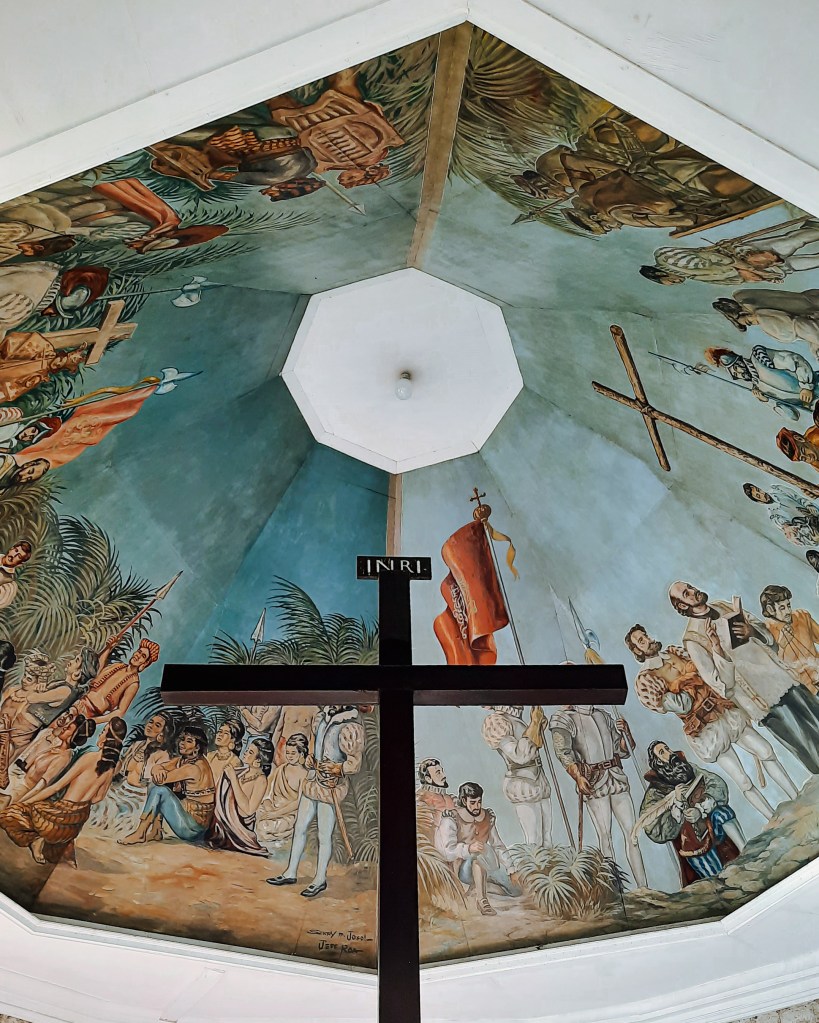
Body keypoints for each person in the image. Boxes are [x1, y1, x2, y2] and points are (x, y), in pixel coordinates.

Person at [626, 625, 796, 818]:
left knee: (766, 751)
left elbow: (706, 674)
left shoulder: (674, 651)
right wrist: (691, 678)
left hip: (723, 710)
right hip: (704, 729)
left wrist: (681, 683)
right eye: (641, 641)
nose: (647, 640)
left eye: (645, 635)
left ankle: (797, 797)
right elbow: (683, 705)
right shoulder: (647, 679)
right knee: (743, 781)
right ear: (637, 651)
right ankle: (773, 818)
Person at [669, 581, 819, 773]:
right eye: (686, 592)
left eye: (690, 586)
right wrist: (717, 650)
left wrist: (752, 631)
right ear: (682, 605)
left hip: (781, 676)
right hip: (760, 698)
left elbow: (769, 638)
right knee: (805, 743)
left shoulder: (723, 606)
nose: (693, 591)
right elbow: (720, 685)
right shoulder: (693, 639)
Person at [267, 705, 365, 898]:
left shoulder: (350, 725)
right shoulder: (322, 717)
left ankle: (319, 879)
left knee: (324, 835)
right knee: (300, 827)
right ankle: (290, 872)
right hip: (313, 780)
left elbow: (354, 764)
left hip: (330, 786)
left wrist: (337, 768)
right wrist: (311, 761)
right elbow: (314, 747)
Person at [0, 717, 126, 864]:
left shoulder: (89, 758)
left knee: (8, 816)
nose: (100, 734)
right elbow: (98, 798)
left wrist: (25, 802)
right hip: (76, 821)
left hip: (60, 814)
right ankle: (44, 840)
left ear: (107, 738)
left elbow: (57, 786)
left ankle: (36, 839)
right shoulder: (110, 769)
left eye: (104, 731)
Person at [550, 705, 648, 887]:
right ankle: (615, 889)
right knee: (605, 836)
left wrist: (626, 733)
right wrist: (578, 777)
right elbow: (564, 753)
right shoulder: (564, 718)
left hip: (616, 778)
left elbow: (622, 750)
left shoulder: (603, 714)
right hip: (594, 782)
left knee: (632, 835)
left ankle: (644, 888)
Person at [637, 741, 743, 885]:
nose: (669, 753)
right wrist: (678, 803)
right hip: (691, 841)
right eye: (662, 752)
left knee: (722, 813)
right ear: (658, 762)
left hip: (709, 823)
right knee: (719, 880)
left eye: (667, 748)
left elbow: (717, 783)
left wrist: (700, 809)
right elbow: (654, 829)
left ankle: (746, 852)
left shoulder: (688, 768)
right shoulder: (655, 791)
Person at [435, 781, 520, 916]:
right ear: (464, 800)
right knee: (478, 857)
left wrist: (511, 869)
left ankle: (478, 888)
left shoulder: (487, 817)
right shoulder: (452, 818)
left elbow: (497, 845)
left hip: (488, 865)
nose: (477, 806)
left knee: (515, 891)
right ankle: (482, 901)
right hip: (461, 869)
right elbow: (447, 851)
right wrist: (468, 848)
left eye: (479, 802)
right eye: (473, 802)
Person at [119, 726, 215, 845]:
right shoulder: (184, 760)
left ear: (197, 747)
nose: (182, 743)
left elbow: (162, 779)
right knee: (154, 785)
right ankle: (156, 831)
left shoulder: (193, 768)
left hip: (194, 829)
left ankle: (140, 832)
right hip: (187, 818)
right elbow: (157, 768)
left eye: (189, 741)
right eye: (182, 739)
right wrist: (158, 770)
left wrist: (159, 773)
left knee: (160, 790)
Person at [88, 709, 176, 834]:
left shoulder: (162, 754)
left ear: (163, 733)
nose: (151, 726)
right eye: (151, 722)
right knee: (97, 806)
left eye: (157, 725)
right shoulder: (137, 744)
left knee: (118, 818)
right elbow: (124, 768)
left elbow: (155, 783)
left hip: (139, 797)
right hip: (121, 789)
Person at [481, 706, 552, 845]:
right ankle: (533, 867)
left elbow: (532, 747)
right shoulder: (496, 721)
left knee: (547, 838)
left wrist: (538, 726)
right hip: (522, 783)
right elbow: (519, 756)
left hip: (539, 779)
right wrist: (534, 724)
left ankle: (549, 866)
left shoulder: (517, 719)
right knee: (534, 840)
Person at [0, 715, 96, 809]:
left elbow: (39, 788)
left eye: (68, 728)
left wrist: (19, 805)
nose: (64, 728)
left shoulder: (62, 759)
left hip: (18, 792)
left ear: (73, 736)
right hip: (15, 782)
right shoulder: (56, 747)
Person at [704, 344, 818, 416]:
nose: (739, 373)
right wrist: (766, 401)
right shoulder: (758, 390)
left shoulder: (759, 356)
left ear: (739, 360)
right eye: (734, 374)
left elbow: (795, 360)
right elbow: (793, 416)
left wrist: (806, 386)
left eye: (735, 368)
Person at [207, 736, 273, 855]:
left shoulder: (261, 780)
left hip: (241, 826)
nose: (245, 753)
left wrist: (233, 778)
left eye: (251, 752)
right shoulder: (242, 772)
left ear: (258, 761)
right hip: (227, 819)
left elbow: (248, 810)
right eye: (247, 749)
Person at [72, 637, 160, 724]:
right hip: (78, 702)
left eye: (143, 656)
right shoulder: (118, 665)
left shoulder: (133, 683)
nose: (138, 656)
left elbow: (120, 712)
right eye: (139, 652)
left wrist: (93, 721)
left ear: (145, 663)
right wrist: (108, 648)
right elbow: (97, 672)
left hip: (89, 715)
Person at [714, 289, 819, 361]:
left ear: (746, 311)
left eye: (749, 322)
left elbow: (804, 329)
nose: (755, 324)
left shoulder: (765, 318)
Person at [760, 584, 819, 693]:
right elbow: (772, 671)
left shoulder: (802, 616)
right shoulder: (766, 632)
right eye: (782, 608)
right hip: (803, 690)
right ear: (770, 609)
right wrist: (781, 646)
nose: (788, 611)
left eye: (788, 605)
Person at [256, 732, 309, 844]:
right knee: (254, 816)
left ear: (301, 754)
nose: (289, 756)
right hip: (272, 807)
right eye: (287, 752)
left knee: (267, 827)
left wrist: (277, 813)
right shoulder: (280, 769)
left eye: (293, 753)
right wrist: (269, 807)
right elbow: (267, 793)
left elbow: (299, 803)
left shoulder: (304, 775)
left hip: (288, 813)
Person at [743, 482, 819, 548]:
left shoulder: (778, 489)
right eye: (759, 496)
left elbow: (798, 497)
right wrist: (788, 528)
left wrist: (808, 505)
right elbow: (784, 525)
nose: (763, 494)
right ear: (759, 502)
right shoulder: (773, 515)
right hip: (811, 526)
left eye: (759, 490)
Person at [239, 705, 315, 763]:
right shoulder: (286, 707)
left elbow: (261, 727)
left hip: (300, 748)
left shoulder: (314, 709)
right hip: (280, 746)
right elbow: (278, 729)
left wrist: (243, 710)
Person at [416, 757, 456, 834]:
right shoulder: (421, 799)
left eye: (442, 771)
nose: (444, 775)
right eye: (438, 773)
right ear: (428, 779)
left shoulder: (450, 798)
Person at [206, 719, 244, 786]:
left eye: (226, 733)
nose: (220, 734)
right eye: (220, 731)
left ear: (233, 739)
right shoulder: (209, 755)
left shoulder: (235, 762)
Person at [0, 541, 32, 609]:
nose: (13, 556)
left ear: (20, 564)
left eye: (19, 556)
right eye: (16, 550)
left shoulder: (9, 584)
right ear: (11, 549)